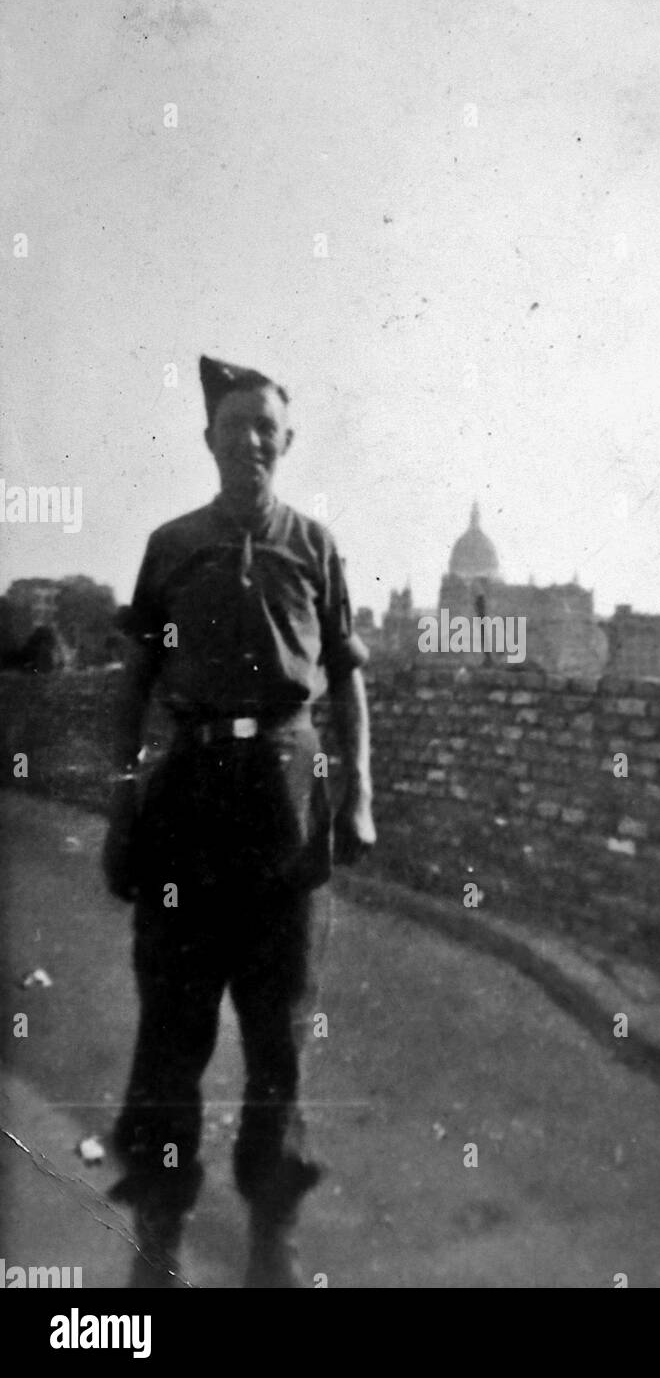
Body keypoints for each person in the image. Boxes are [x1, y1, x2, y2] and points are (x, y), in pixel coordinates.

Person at [102, 355, 375, 1288]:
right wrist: (122, 794)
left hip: (284, 813)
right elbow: (136, 677)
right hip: (185, 805)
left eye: (266, 429)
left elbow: (346, 677)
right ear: (208, 440)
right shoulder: (170, 544)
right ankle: (160, 1235)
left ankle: (271, 1237)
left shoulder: (315, 544)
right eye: (232, 428)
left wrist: (362, 794)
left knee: (277, 1037)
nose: (248, 442)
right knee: (171, 1032)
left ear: (286, 443)